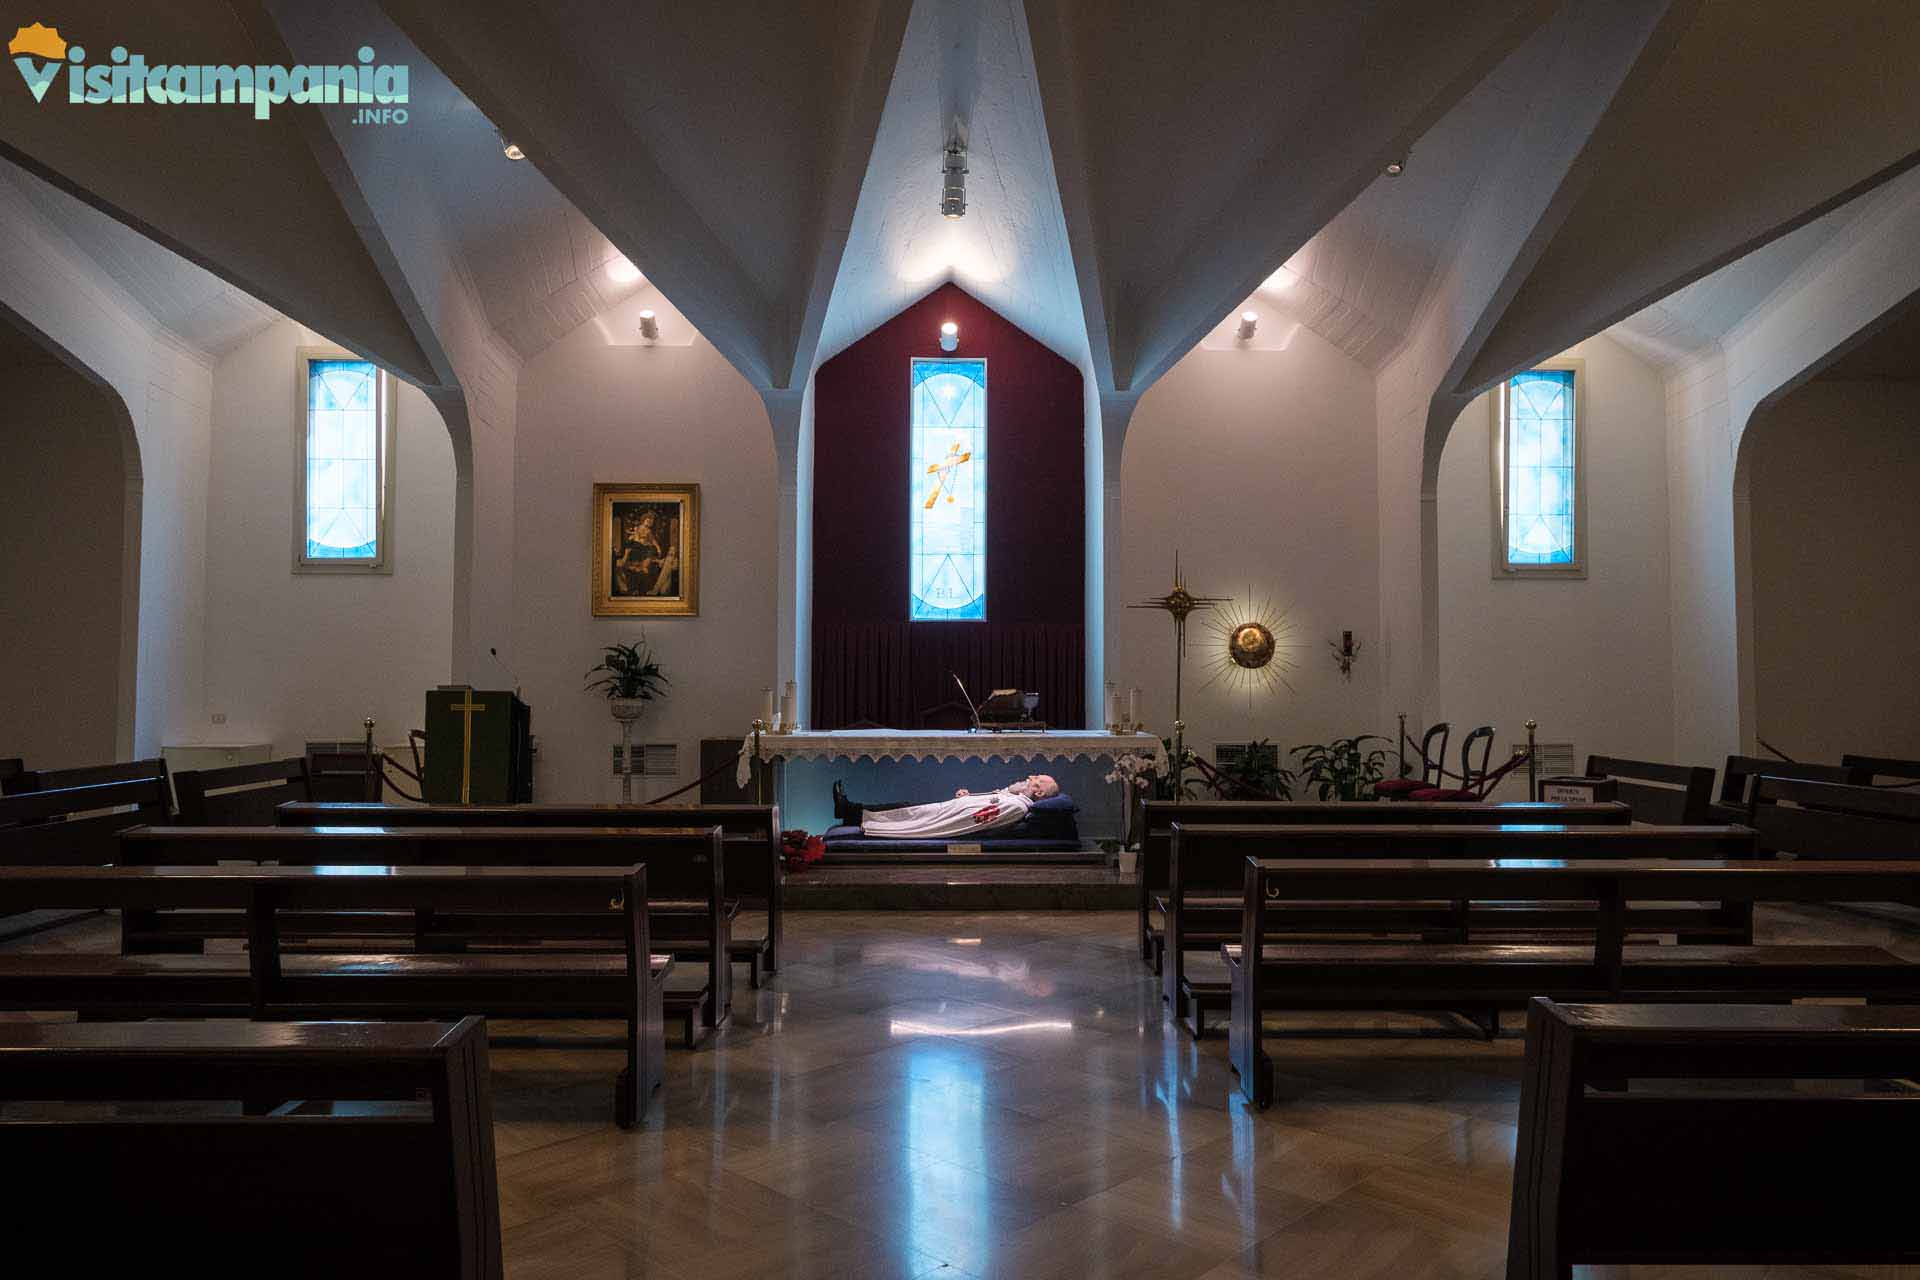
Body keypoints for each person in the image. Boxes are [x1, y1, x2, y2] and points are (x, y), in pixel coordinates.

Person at [837, 774, 1060, 839]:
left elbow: (976, 821)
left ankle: (850, 812)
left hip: (946, 818)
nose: (1029, 776)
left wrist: (958, 805)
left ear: (1038, 793)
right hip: (949, 810)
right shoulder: (1013, 799)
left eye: (1035, 779)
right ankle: (851, 811)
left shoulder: (1017, 807)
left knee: (906, 814)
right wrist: (967, 797)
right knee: (905, 809)